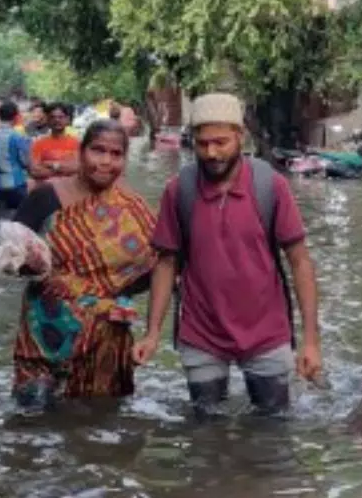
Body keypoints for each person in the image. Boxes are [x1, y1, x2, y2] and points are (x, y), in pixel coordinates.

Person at [134, 93, 323, 416]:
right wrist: (152, 334)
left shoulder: (270, 186)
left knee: (273, 431)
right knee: (205, 430)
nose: (211, 152)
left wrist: (310, 340)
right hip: (201, 331)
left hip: (267, 331)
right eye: (202, 143)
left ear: (240, 136)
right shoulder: (179, 191)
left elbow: (300, 261)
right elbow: (166, 263)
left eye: (221, 142)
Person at [11, 120, 158, 408]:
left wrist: (104, 299)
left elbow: (152, 270)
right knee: (33, 422)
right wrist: (32, 265)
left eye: (116, 154)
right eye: (97, 150)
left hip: (105, 340)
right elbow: (10, 256)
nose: (106, 161)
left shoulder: (133, 208)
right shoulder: (46, 196)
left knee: (98, 425)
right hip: (45, 334)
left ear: (124, 160)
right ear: (81, 152)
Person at [0, 99, 34, 217]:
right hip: (17, 185)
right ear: (16, 117)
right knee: (19, 222)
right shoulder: (20, 138)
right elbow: (26, 162)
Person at [29, 102, 80, 183]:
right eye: (53, 117)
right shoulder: (38, 144)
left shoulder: (76, 143)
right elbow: (34, 171)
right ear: (48, 120)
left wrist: (52, 165)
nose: (57, 120)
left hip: (70, 191)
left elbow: (78, 168)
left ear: (67, 119)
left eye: (60, 117)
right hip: (47, 190)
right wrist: (64, 169)